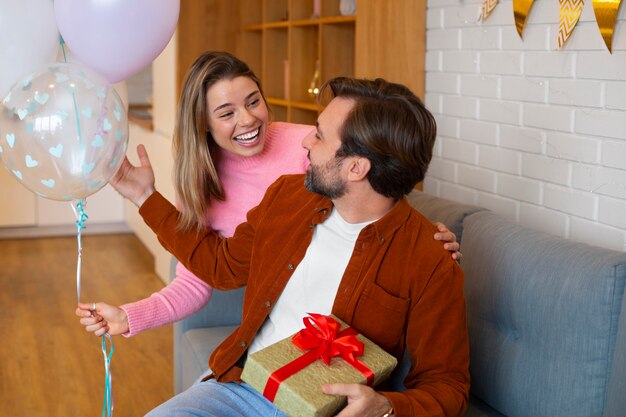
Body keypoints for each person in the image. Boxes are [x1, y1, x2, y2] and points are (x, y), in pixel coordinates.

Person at [99, 76, 470, 417]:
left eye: (320, 136)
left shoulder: (430, 259)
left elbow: (447, 386)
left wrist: (386, 407)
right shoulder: (287, 195)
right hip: (243, 390)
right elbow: (220, 266)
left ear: (356, 168)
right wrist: (144, 196)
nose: (306, 140)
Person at [76, 51, 460, 339]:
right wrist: (131, 315)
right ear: (203, 125)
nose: (248, 119)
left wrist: (424, 241)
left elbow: (370, 184)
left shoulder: (306, 147)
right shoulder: (202, 181)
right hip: (277, 320)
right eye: (226, 113)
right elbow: (201, 276)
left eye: (253, 101)